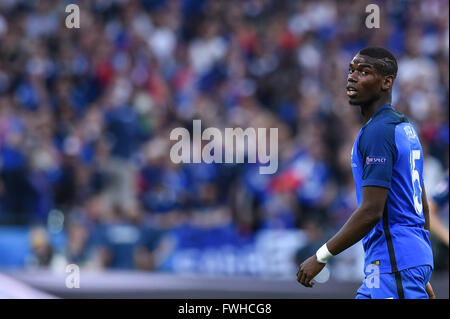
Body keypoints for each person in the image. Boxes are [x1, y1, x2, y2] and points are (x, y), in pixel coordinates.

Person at [296, 47, 435, 299]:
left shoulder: (379, 132)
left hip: (394, 263)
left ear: (386, 82)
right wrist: (419, 267)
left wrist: (321, 256)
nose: (352, 77)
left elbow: (372, 211)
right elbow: (421, 205)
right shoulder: (404, 127)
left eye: (364, 72)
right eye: (351, 70)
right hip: (396, 265)